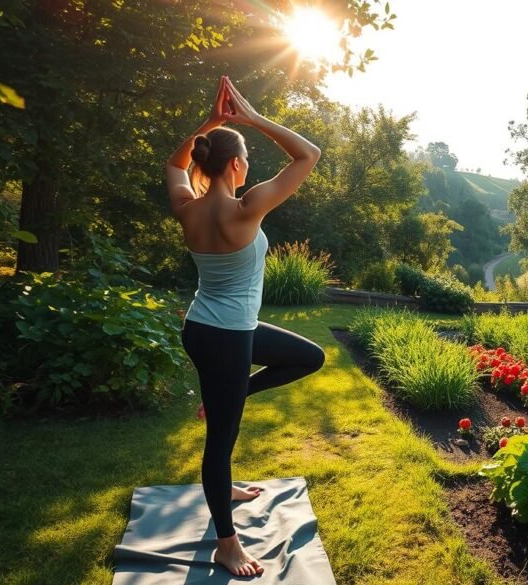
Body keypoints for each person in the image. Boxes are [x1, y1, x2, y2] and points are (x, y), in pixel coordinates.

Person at [165, 76, 325, 576]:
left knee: (309, 357)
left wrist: (213, 123)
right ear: (235, 164)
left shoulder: (186, 206)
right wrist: (251, 118)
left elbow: (174, 163)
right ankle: (226, 543)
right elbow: (308, 155)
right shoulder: (247, 208)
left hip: (208, 328)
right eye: (248, 158)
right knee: (221, 439)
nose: (251, 166)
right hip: (227, 339)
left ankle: (226, 400)